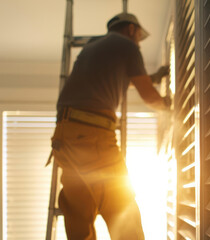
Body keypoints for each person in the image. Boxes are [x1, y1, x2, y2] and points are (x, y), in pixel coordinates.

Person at [50, 12, 170, 240]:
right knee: (122, 208)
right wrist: (168, 106)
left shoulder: (94, 46)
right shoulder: (127, 45)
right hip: (93, 136)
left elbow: (115, 78)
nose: (138, 43)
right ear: (132, 30)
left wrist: (152, 77)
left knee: (79, 213)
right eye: (138, 37)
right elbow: (148, 96)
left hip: (65, 135)